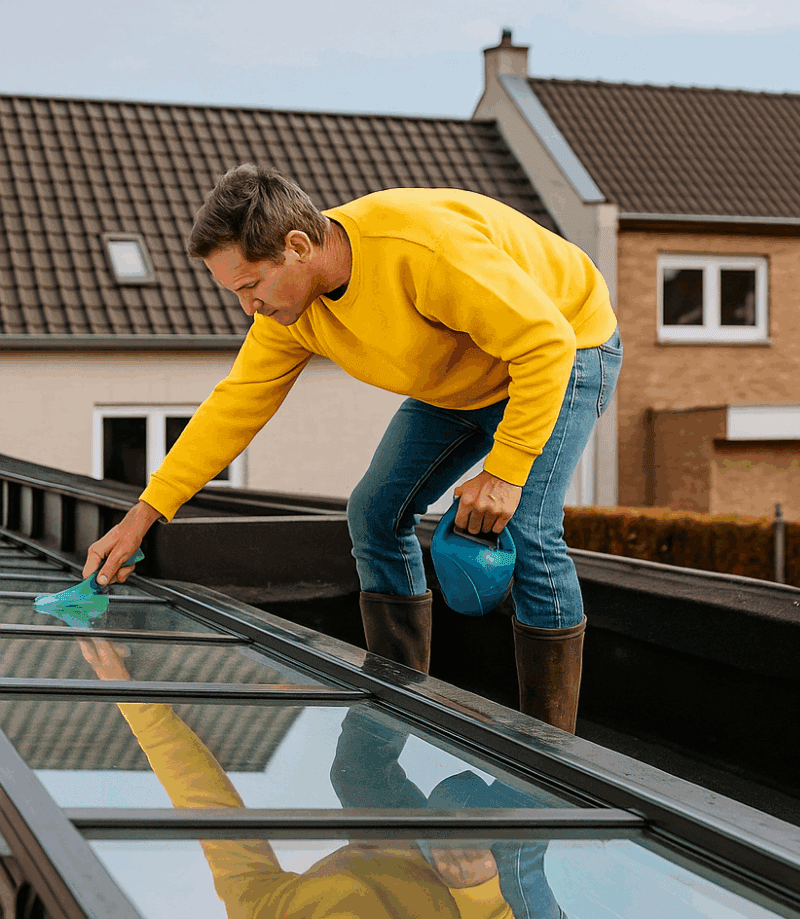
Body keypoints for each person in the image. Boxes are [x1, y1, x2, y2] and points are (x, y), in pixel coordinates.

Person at [84, 165, 622, 734]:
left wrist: (507, 471)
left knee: (530, 528)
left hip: (565, 348)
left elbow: (543, 344)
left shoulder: (421, 249)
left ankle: (552, 744)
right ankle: (399, 700)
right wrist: (144, 516)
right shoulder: (291, 314)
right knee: (374, 512)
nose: (249, 308)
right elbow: (234, 406)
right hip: (461, 375)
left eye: (250, 287)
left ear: (297, 247)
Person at [78, 638, 567, 919]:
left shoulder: (260, 909)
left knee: (353, 771)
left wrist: (128, 693)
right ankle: (556, 734)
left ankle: (402, 657)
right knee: (474, 817)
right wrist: (479, 882)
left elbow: (206, 805)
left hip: (394, 839)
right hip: (479, 875)